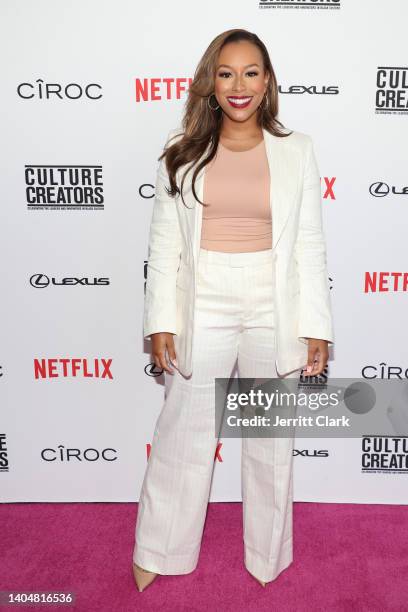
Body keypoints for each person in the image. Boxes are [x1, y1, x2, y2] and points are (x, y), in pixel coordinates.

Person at [132, 28, 334, 592]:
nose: (239, 85)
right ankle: (160, 549)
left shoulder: (297, 148)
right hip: (206, 295)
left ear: (267, 80)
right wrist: (161, 322)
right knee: (184, 430)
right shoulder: (183, 148)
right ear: (210, 82)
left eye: (250, 72)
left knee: (271, 438)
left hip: (275, 299)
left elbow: (310, 246)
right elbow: (164, 246)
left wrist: (315, 324)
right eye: (226, 73)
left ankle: (267, 557)